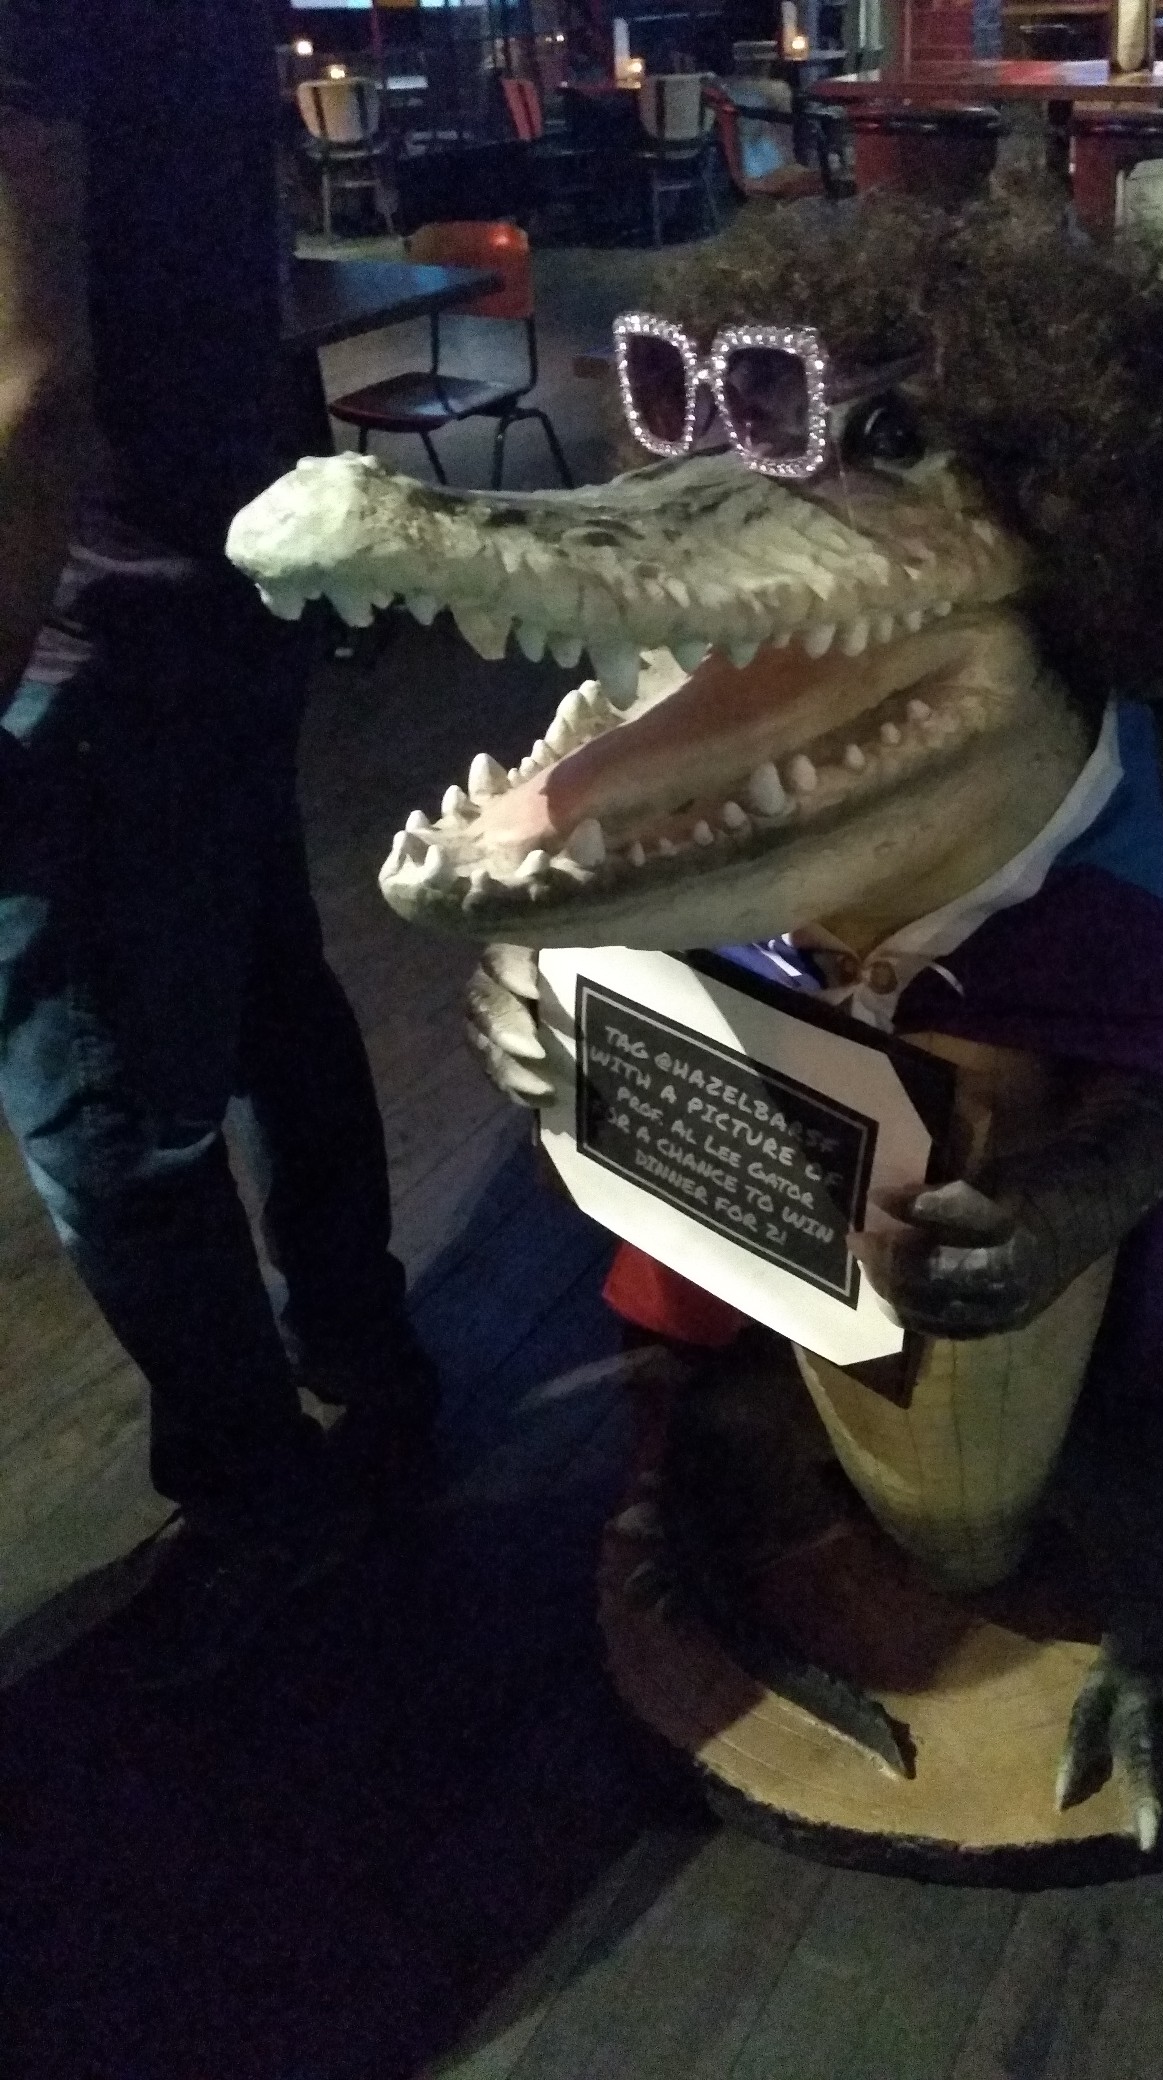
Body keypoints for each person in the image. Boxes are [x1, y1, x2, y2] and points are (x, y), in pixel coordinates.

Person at [0, 0, 436, 1680]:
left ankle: (266, 1499)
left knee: (107, 1120)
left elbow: (34, 382)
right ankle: (365, 1355)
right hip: (224, 556)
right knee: (269, 996)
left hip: (89, 613)